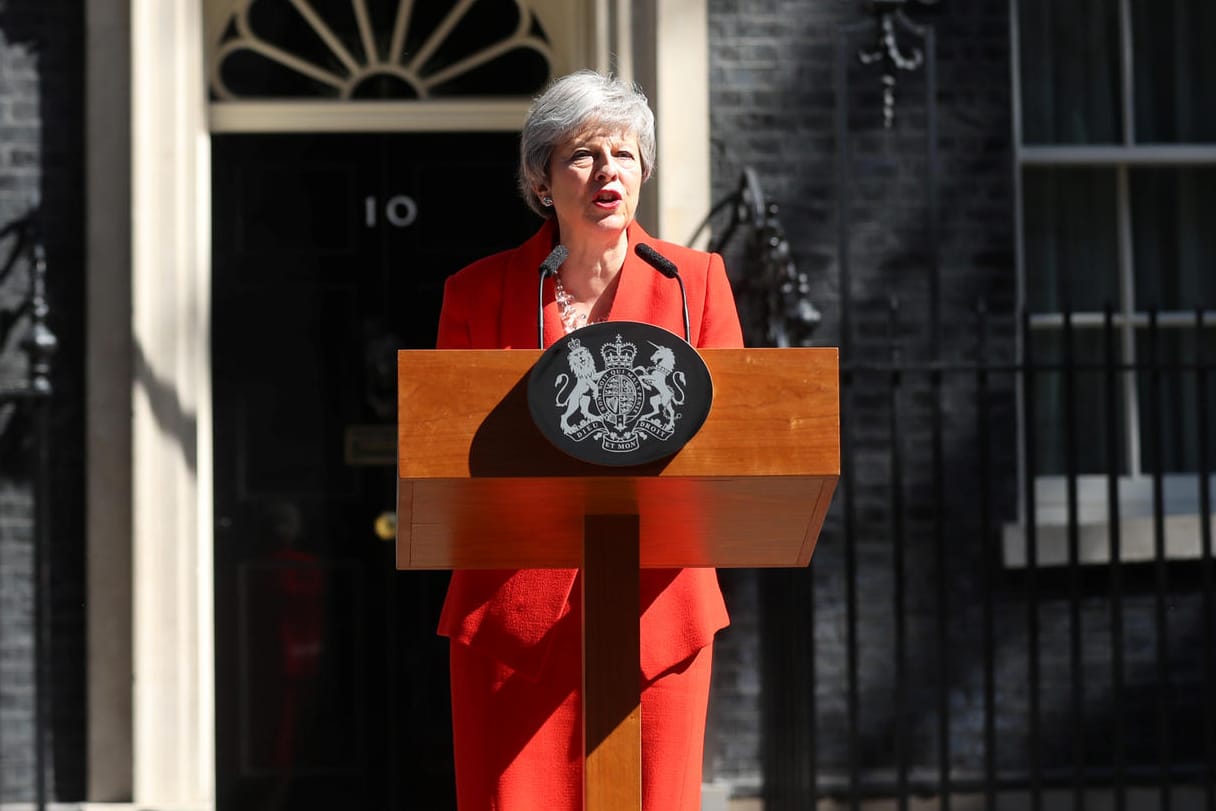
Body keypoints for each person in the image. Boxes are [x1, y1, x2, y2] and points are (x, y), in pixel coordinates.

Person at [434, 69, 744, 811]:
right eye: (583, 154)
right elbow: (444, 451)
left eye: (626, 153)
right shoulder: (476, 293)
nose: (609, 170)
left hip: (657, 617)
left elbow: (736, 444)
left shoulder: (695, 284)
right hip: (515, 622)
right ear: (543, 179)